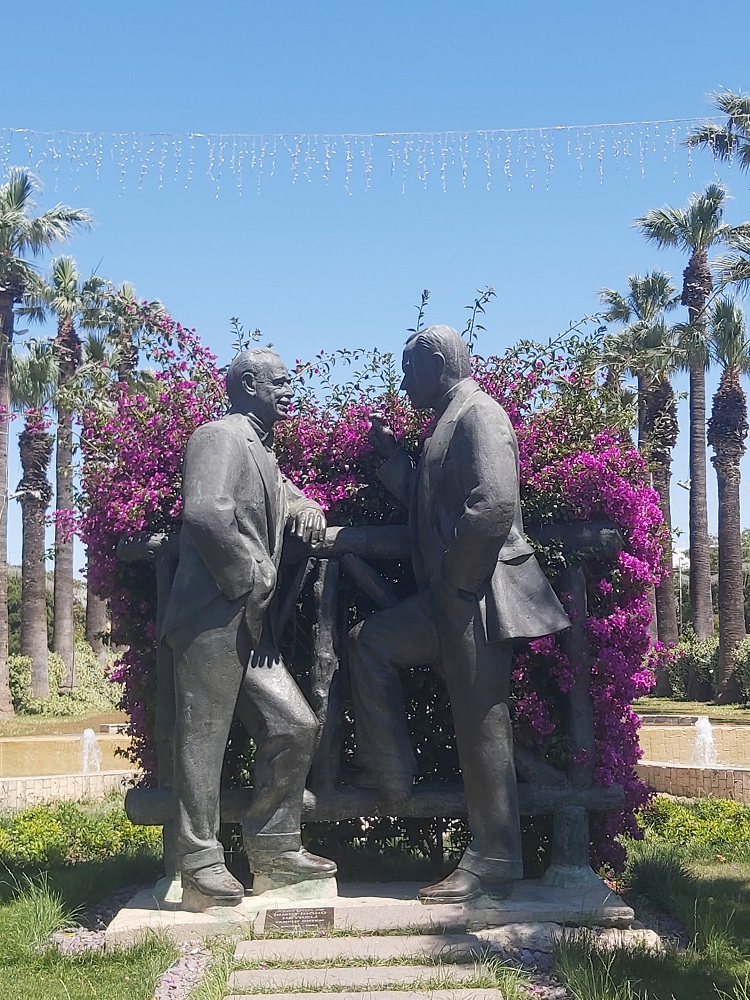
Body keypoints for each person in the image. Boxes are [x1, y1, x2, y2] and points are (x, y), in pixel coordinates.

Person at [348, 325, 570, 903]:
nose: (403, 382)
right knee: (370, 641)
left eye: (408, 369)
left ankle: (495, 858)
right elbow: (435, 501)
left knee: (482, 722)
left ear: (437, 362)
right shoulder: (448, 419)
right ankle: (392, 774)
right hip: (453, 598)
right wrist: (392, 459)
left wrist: (457, 583)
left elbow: (493, 504)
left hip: (478, 595)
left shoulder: (479, 414)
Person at [161, 346, 336, 904]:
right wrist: (252, 573)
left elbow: (276, 494)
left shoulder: (259, 448)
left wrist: (304, 505)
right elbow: (205, 512)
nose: (289, 392)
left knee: (294, 725)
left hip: (247, 621)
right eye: (278, 383)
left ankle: (275, 847)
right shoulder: (217, 436)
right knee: (203, 738)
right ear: (247, 385)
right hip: (211, 613)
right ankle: (198, 861)